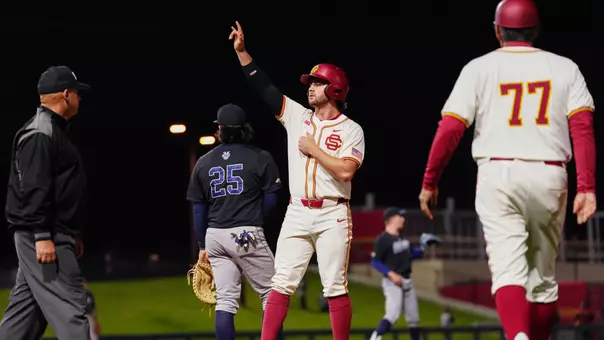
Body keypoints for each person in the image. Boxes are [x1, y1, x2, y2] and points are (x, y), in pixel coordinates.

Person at [418, 1, 597, 340]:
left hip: (498, 174)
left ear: (497, 30)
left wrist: (430, 181)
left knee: (508, 272)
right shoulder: (565, 67)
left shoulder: (479, 68)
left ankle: (518, 335)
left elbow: (450, 129)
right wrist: (587, 187)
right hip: (550, 174)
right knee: (542, 280)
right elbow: (583, 129)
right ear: (537, 30)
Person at [229, 21, 366, 340]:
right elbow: (265, 88)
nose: (310, 87)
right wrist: (243, 53)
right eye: (311, 82)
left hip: (333, 213)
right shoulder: (298, 116)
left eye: (317, 83)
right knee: (281, 282)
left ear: (334, 89)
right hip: (298, 211)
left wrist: (314, 149)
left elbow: (346, 171)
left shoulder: (351, 129)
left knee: (334, 285)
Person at [0, 65, 92, 339]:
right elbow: (35, 187)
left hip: (52, 232)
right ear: (66, 94)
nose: (80, 99)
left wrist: (70, 232)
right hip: (42, 233)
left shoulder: (54, 130)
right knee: (72, 310)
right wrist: (43, 235)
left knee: (25, 317)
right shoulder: (41, 132)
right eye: (77, 93)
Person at [186, 103, 284, 340]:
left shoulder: (203, 162)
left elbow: (198, 209)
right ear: (244, 129)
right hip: (245, 233)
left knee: (226, 300)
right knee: (273, 295)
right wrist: (257, 218)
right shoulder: (260, 156)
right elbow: (272, 198)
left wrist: (202, 246)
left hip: (215, 235)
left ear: (220, 129)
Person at [369, 208, 424, 340]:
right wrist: (390, 274)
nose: (403, 219)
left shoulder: (402, 237)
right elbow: (375, 261)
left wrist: (423, 248)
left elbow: (410, 254)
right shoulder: (382, 240)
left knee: (414, 319)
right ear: (391, 219)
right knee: (392, 314)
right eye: (400, 216)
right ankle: (375, 338)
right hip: (393, 283)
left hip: (407, 281)